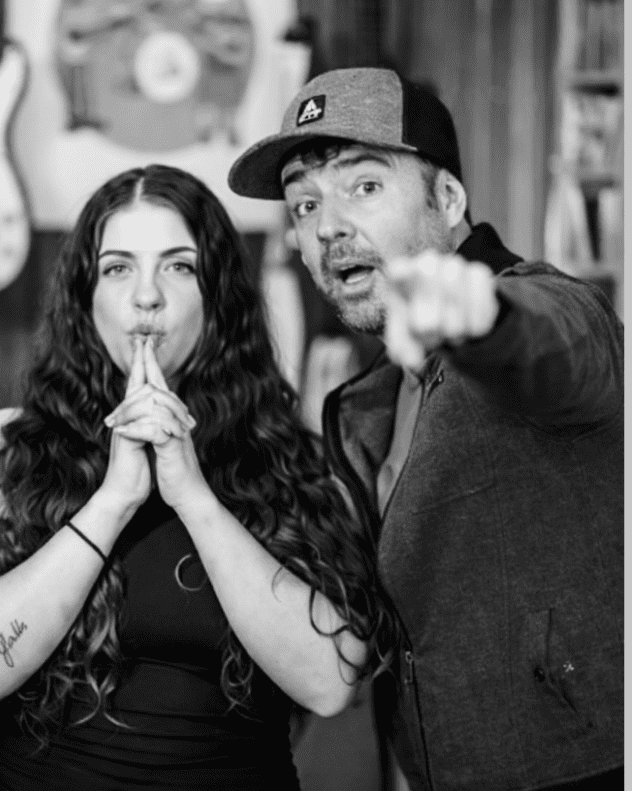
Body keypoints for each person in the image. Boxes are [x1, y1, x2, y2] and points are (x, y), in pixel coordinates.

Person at [0, 163, 396, 790]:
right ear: (84, 297)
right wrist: (113, 501)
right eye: (118, 268)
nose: (146, 295)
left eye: (178, 267)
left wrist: (194, 497)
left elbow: (330, 683)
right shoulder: (3, 448)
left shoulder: (292, 460)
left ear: (217, 296)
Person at [228, 67, 623, 791]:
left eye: (364, 185)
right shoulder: (369, 400)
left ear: (448, 199)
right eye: (305, 203)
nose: (328, 226)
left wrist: (482, 318)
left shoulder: (540, 308)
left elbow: (560, 347)